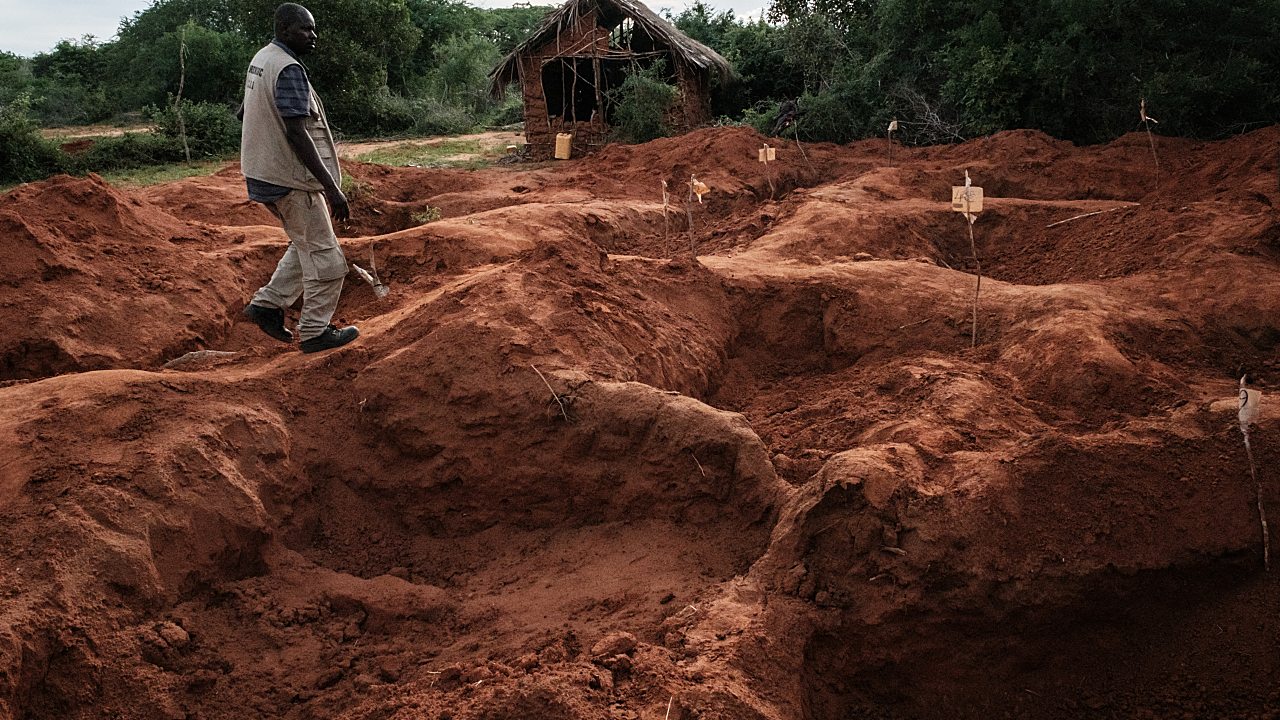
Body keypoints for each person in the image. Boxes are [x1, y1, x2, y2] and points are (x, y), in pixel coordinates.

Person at [239, 2, 358, 353]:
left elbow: (244, 110)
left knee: (305, 242)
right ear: (285, 29)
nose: (313, 36)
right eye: (306, 29)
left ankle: (266, 305)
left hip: (262, 173)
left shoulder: (263, 58)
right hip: (289, 179)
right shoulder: (288, 68)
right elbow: (296, 132)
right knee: (329, 261)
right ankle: (315, 332)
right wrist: (331, 188)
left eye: (314, 28)